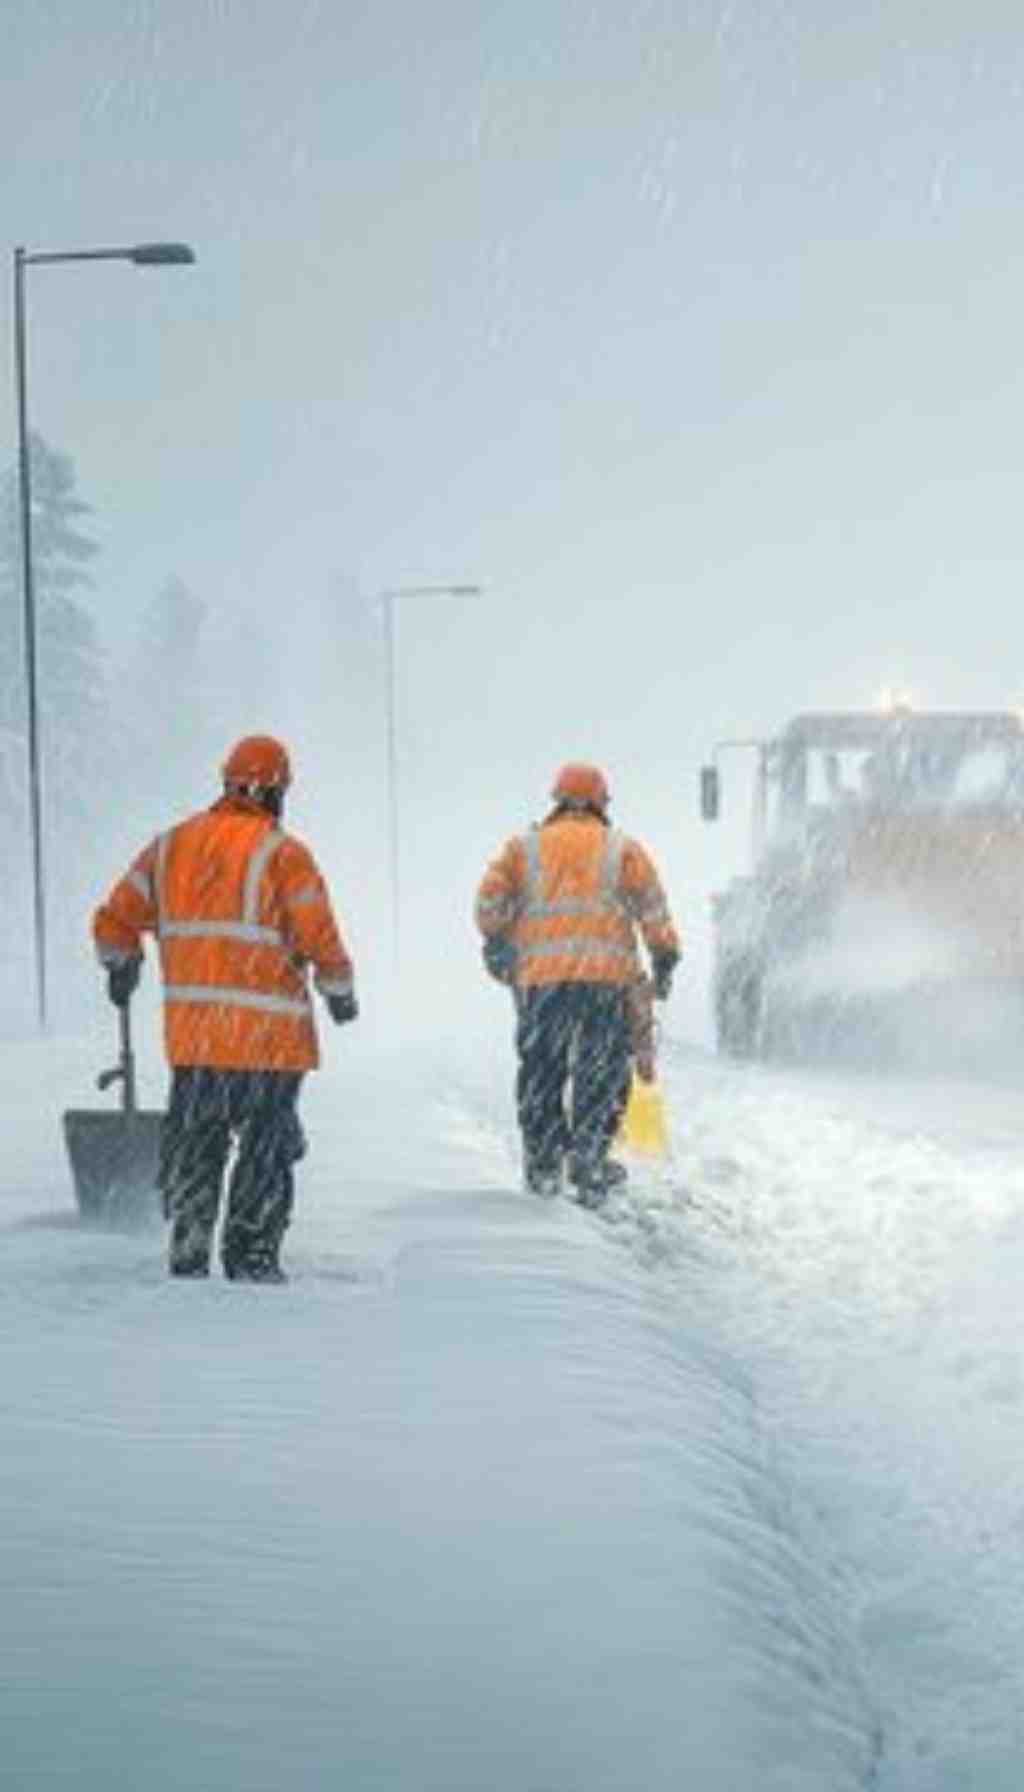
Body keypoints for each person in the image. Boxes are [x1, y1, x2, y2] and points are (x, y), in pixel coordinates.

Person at [93, 734, 357, 1283]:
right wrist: (339, 990)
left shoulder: (170, 847)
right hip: (269, 1042)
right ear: (276, 790)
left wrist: (122, 963)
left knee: (198, 1138)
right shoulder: (284, 854)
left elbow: (116, 916)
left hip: (197, 1040)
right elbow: (318, 935)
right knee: (266, 1146)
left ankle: (189, 1242)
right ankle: (251, 1254)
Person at [475, 762, 680, 1206]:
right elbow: (652, 908)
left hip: (542, 984)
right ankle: (589, 1160)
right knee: (601, 1074)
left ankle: (545, 1165)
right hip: (605, 982)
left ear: (557, 800)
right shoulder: (622, 849)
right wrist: (664, 956)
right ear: (600, 802)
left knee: (542, 1073)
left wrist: (497, 940)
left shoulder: (522, 848)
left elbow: (489, 902)